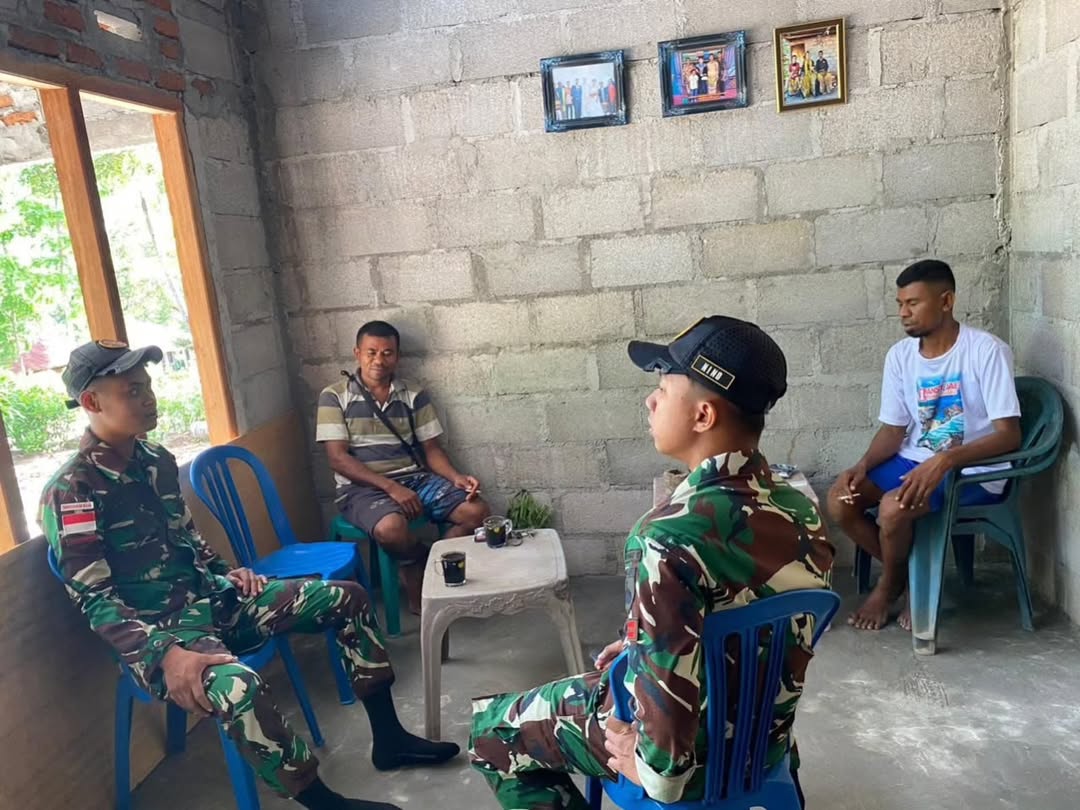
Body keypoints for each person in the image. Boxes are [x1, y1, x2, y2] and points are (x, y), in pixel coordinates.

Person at [41, 340, 460, 810]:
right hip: (163, 636)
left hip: (217, 600)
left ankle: (389, 739)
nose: (149, 398)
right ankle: (324, 803)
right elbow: (94, 597)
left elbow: (187, 536)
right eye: (133, 391)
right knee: (239, 686)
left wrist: (230, 574)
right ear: (92, 401)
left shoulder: (155, 461)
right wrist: (166, 655)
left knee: (349, 598)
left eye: (148, 386)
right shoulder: (74, 490)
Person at [470, 316, 835, 809]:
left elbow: (667, 700)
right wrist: (640, 640)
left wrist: (654, 774)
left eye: (663, 388)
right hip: (761, 740)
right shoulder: (800, 510)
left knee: (490, 731)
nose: (651, 400)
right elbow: (751, 622)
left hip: (691, 760)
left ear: (703, 416)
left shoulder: (665, 536)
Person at [827, 260, 1022, 631]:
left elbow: (1009, 435)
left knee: (892, 508)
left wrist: (946, 460)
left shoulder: (986, 351)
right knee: (840, 500)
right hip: (914, 460)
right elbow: (893, 430)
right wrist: (862, 465)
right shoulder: (900, 356)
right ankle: (909, 578)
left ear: (946, 301)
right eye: (900, 304)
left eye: (913, 303)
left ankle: (888, 587)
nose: (903, 313)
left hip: (973, 471)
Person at [316, 320, 490, 614]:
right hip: (362, 489)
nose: (379, 360)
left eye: (387, 353)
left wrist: (455, 477)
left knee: (477, 512)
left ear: (397, 356)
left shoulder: (413, 394)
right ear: (357, 353)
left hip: (416, 480)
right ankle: (417, 563)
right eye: (371, 352)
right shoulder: (334, 396)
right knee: (391, 529)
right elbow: (338, 459)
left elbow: (431, 449)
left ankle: (435, 569)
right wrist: (391, 488)